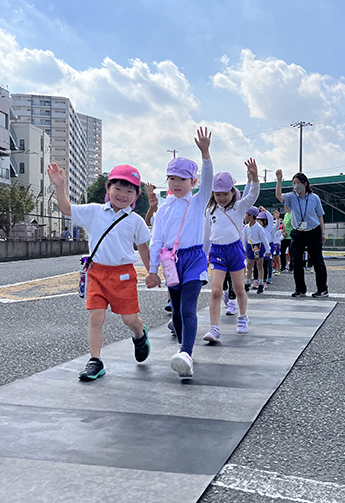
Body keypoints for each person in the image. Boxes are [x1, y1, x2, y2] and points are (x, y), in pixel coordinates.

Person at [47, 162, 152, 382]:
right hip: (96, 272)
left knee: (130, 319)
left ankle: (140, 334)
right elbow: (66, 209)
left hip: (123, 275)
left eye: (129, 190)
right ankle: (95, 361)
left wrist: (152, 272)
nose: (123, 194)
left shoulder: (136, 221)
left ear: (137, 194)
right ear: (108, 188)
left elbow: (143, 248)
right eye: (118, 188)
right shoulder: (94, 211)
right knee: (96, 316)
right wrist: (59, 186)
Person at [146, 127, 213, 380]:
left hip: (194, 259)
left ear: (192, 183)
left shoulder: (197, 202)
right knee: (175, 313)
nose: (176, 183)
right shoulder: (163, 209)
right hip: (171, 262)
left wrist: (205, 155)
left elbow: (208, 180)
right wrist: (153, 270)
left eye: (182, 179)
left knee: (187, 308)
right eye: (172, 178)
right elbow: (157, 240)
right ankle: (182, 353)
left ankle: (186, 353)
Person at [202, 159, 260, 343]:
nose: (222, 197)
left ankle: (243, 317)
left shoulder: (239, 206)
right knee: (216, 291)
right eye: (218, 194)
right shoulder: (210, 211)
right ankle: (214, 327)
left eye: (225, 194)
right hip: (217, 251)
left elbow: (253, 194)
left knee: (239, 288)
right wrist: (204, 256)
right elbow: (206, 236)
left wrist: (255, 177)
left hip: (235, 250)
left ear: (232, 192)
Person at [275, 170, 328, 298]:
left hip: (313, 231)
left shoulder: (314, 198)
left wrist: (323, 232)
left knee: (317, 261)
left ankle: (322, 289)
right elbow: (279, 196)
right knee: (296, 262)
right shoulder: (291, 197)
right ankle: (300, 289)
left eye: (298, 182)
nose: (296, 185)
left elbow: (320, 216)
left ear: (305, 183)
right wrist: (279, 180)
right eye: (294, 183)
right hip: (298, 232)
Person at [243, 206, 270, 294]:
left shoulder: (258, 227)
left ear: (251, 216)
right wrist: (244, 250)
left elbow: (264, 239)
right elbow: (244, 239)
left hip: (259, 246)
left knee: (259, 266)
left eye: (246, 214)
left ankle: (261, 283)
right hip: (250, 247)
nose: (245, 216)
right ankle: (247, 283)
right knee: (249, 266)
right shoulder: (246, 227)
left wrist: (267, 250)